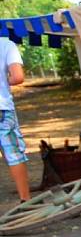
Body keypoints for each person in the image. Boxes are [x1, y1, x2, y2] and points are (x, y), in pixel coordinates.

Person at [1, 37, 30, 203]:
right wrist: (5, 81)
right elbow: (18, 77)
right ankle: (25, 201)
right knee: (13, 154)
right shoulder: (6, 44)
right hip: (2, 108)